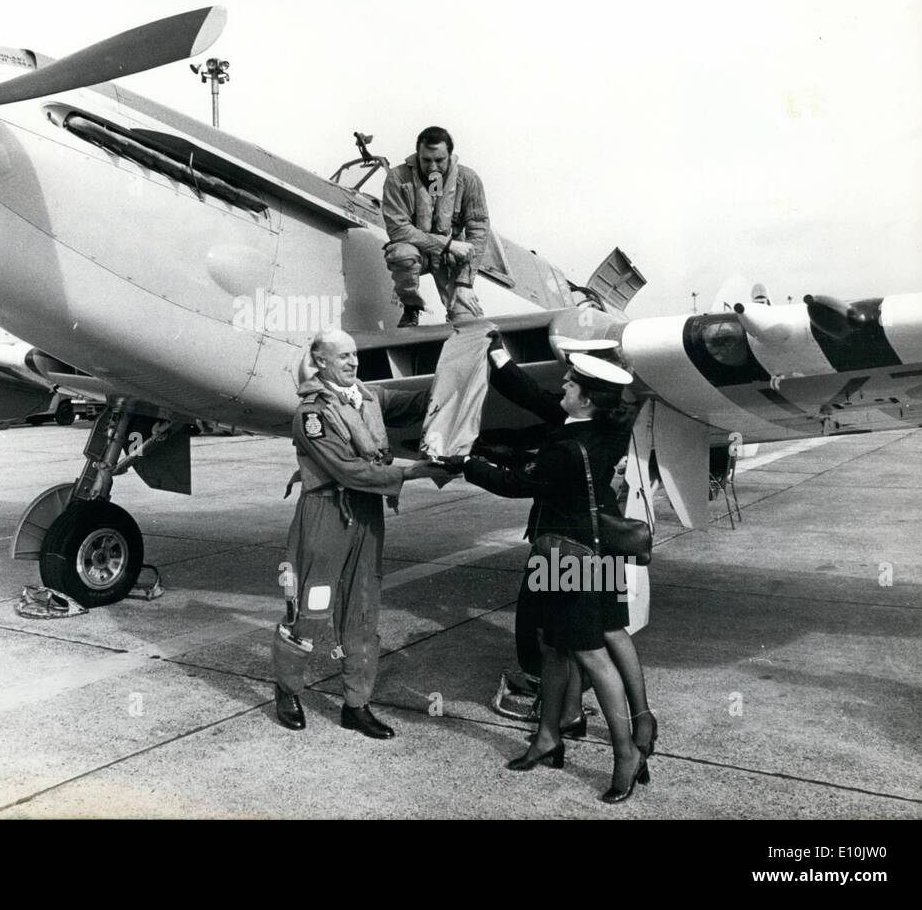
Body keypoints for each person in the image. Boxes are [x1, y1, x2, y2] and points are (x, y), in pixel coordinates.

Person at [459, 349, 656, 803]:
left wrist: (464, 463)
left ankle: (626, 754)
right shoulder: (604, 425)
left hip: (567, 555)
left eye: (569, 384)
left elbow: (514, 483)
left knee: (589, 656)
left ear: (585, 399)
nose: (561, 388)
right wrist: (500, 355)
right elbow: (534, 397)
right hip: (596, 546)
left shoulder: (568, 447)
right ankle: (550, 735)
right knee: (557, 644)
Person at [271, 328, 446, 738]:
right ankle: (287, 689)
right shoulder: (312, 415)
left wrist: (464, 374)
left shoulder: (370, 398)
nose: (353, 362)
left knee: (363, 609)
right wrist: (409, 472)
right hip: (326, 514)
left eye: (355, 355)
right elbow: (347, 471)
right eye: (343, 356)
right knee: (312, 608)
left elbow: (420, 401)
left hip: (367, 514)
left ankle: (356, 704)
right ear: (321, 362)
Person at [382, 125, 490, 327]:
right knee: (401, 254)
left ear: (450, 155)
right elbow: (398, 228)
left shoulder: (468, 179)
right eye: (426, 160)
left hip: (452, 260)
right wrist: (446, 244)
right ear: (417, 155)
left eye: (439, 160)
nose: (433, 167)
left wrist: (465, 282)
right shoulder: (397, 178)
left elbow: (478, 230)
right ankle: (411, 307)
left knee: (468, 323)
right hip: (420, 252)